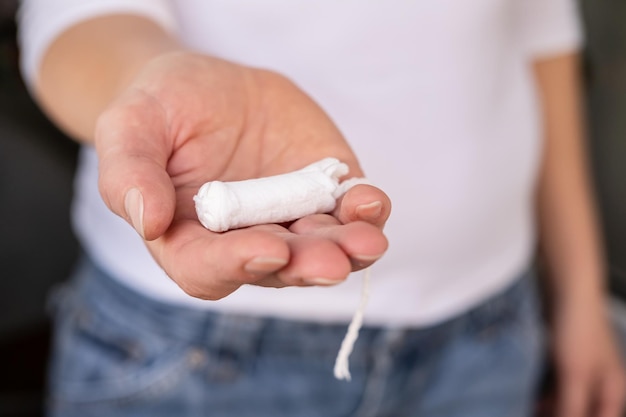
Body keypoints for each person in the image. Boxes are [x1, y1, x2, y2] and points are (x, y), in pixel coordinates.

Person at [17, 1, 626, 416]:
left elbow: (539, 32)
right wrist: (147, 78)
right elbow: (71, 14)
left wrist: (580, 293)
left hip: (492, 336)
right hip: (197, 358)